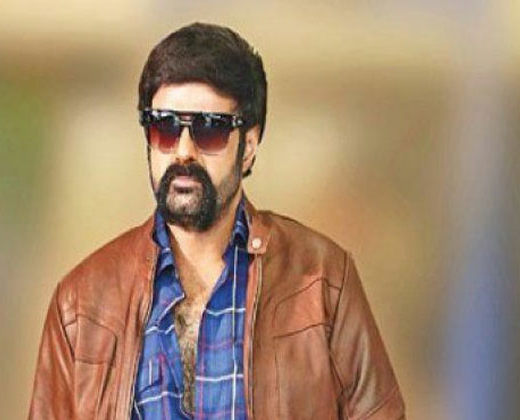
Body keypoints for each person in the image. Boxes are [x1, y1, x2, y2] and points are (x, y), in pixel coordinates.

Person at [28, 22, 405, 420]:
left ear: (249, 146)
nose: (183, 151)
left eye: (209, 130)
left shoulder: (322, 278)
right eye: (165, 127)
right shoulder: (81, 301)